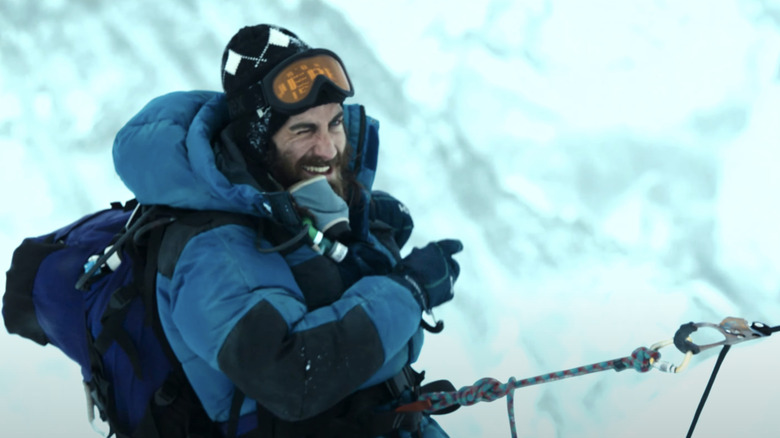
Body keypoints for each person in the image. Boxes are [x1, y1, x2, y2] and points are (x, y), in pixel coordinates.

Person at [112, 24, 463, 438]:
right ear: (260, 143)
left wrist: (364, 244)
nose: (329, 148)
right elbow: (294, 378)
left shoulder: (289, 202)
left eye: (334, 123)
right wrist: (408, 291)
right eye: (303, 130)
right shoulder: (213, 248)